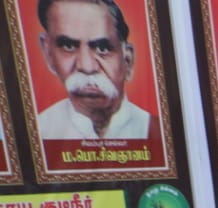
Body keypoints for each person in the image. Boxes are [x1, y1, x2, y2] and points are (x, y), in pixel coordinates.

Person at [33, 0, 153, 140]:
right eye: (68, 46)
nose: (86, 67)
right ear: (48, 53)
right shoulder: (36, 134)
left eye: (102, 49)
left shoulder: (160, 133)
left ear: (128, 61)